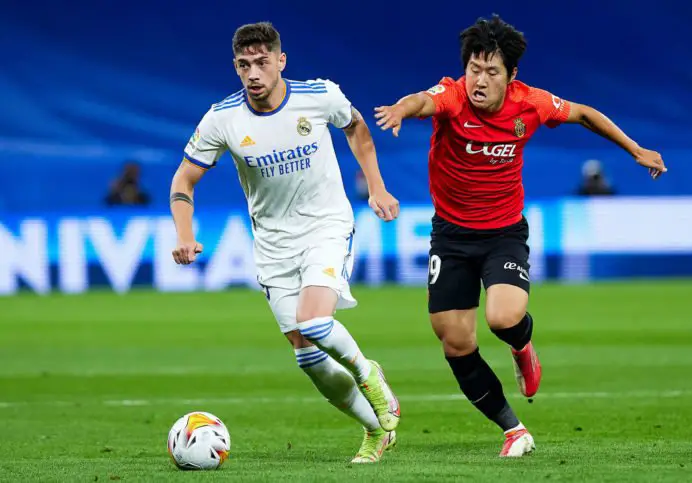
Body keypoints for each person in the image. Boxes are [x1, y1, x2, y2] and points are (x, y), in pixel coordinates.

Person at [374, 15, 666, 457]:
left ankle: (522, 345)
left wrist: (635, 148)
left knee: (503, 318)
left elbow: (584, 114)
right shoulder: (453, 97)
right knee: (454, 341)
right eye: (474, 69)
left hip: (503, 233)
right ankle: (514, 429)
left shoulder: (531, 103)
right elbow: (421, 101)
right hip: (450, 236)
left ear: (511, 75)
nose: (479, 80)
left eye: (491, 71)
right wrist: (401, 109)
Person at [170, 22, 401, 463]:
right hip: (273, 246)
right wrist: (184, 234)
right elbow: (184, 179)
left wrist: (376, 186)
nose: (253, 73)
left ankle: (368, 372)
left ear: (281, 61)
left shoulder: (320, 95)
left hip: (326, 226)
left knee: (314, 321)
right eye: (244, 65)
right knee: (307, 356)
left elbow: (356, 127)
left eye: (261, 62)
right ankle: (375, 430)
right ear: (235, 67)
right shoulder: (222, 118)